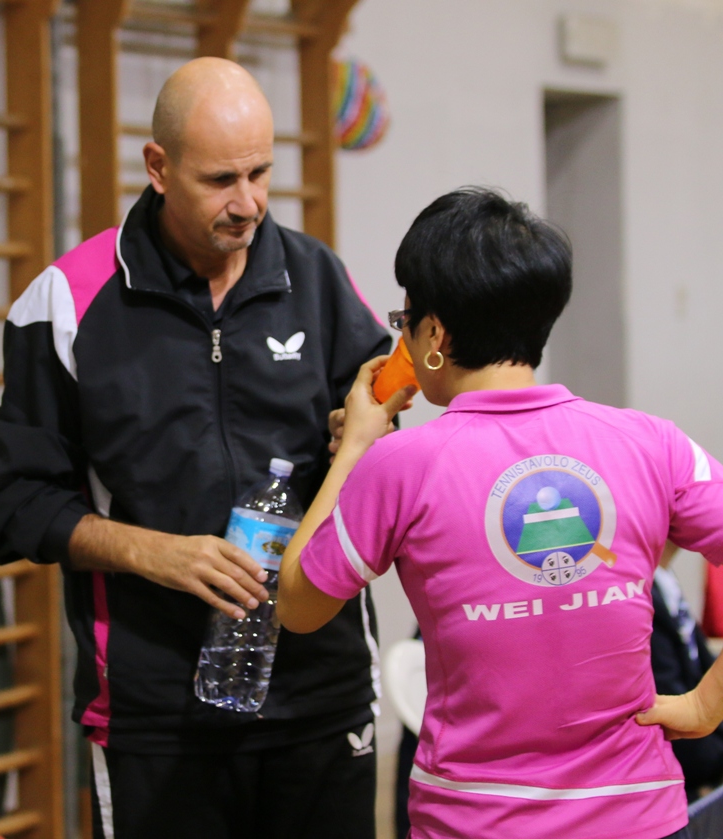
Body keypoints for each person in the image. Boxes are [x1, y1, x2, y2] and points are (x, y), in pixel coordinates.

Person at [0, 58, 391, 839]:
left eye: (262, 172)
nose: (249, 203)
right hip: (156, 715)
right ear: (158, 168)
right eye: (221, 179)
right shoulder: (65, 302)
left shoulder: (319, 278)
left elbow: (375, 433)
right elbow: (10, 504)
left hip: (321, 698)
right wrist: (155, 553)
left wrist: (362, 435)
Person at [276, 187, 723, 838]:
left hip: (477, 822)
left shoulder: (400, 464)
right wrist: (709, 702)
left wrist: (357, 448)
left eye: (408, 319)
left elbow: (298, 603)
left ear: (433, 335)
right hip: (643, 819)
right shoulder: (652, 442)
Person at [651, 542, 723, 801]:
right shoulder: (637, 589)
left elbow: (700, 665)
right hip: (681, 771)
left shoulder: (666, 578)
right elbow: (664, 688)